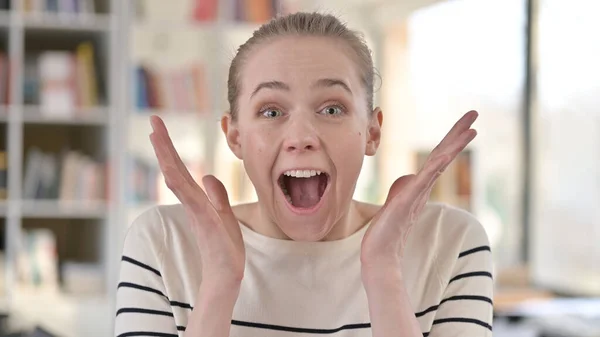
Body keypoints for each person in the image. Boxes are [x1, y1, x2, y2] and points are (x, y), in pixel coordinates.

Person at [115, 12, 493, 337]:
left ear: (373, 132)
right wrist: (218, 284)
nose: (301, 138)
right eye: (271, 111)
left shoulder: (450, 243)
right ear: (235, 136)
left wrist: (384, 276)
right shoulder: (163, 243)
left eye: (331, 109)